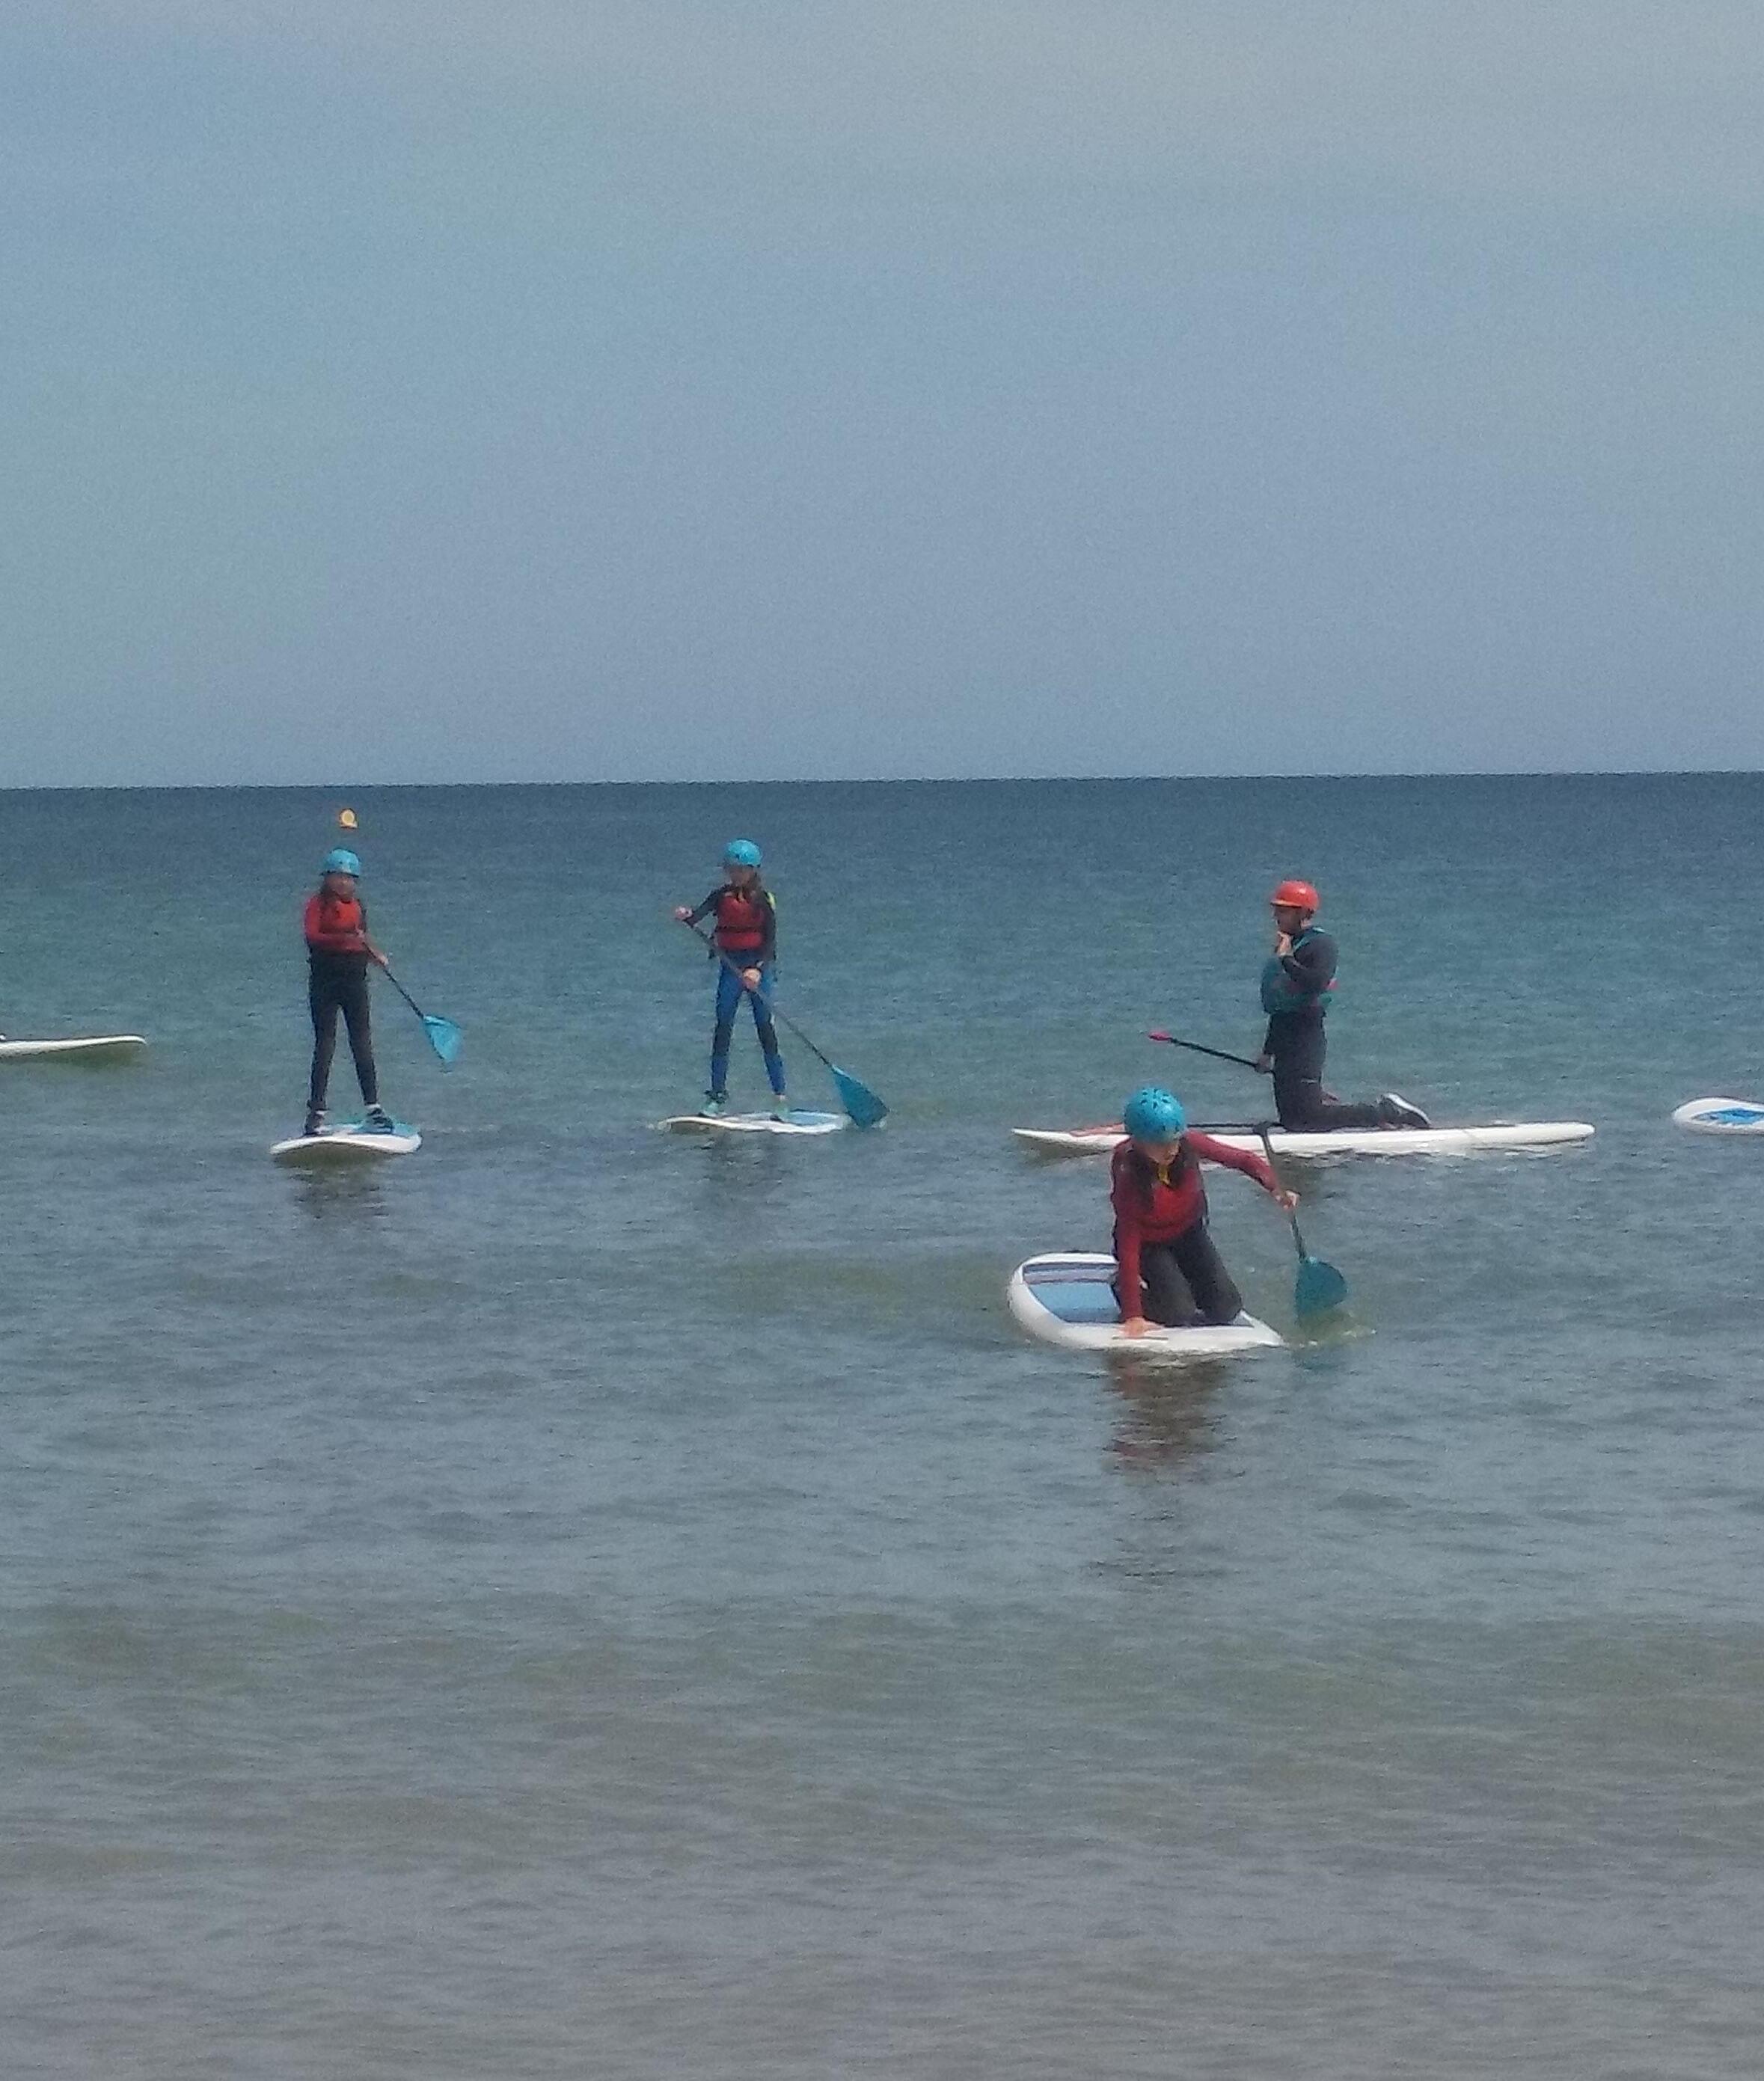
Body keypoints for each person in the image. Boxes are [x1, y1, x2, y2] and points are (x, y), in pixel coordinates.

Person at [1112, 1086, 1296, 1334]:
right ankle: (1120, 1286)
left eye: (1174, 1140)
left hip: (1188, 1233)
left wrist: (1276, 1188)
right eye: (1160, 1144)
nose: (1170, 1150)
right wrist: (1133, 1315)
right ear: (1139, 1142)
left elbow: (1243, 1159)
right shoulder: (1129, 1174)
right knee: (1178, 1314)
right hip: (1149, 1244)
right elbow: (1128, 1242)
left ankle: (1184, 1287)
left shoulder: (1189, 1143)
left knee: (1226, 1308)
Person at [1253, 879, 1430, 1133]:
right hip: (1284, 1040)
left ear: (1303, 913)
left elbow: (1316, 982)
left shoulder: (1320, 945)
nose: (1276, 916)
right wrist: (1267, 1051)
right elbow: (1281, 1008)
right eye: (1276, 910)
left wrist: (1286, 958)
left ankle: (1386, 1112)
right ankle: (1340, 1111)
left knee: (1308, 1118)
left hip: (1305, 1039)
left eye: (1283, 910)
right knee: (1294, 1120)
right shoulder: (1291, 947)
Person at [673, 839, 788, 1118]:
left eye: (741, 870)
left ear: (753, 870)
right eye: (731, 869)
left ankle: (781, 1098)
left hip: (757, 967)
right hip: (730, 965)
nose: (736, 875)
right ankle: (717, 1095)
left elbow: (770, 941)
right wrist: (687, 916)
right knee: (723, 1027)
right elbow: (698, 916)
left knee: (765, 1028)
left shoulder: (763, 900)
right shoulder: (720, 896)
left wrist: (757, 969)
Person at [303, 847, 393, 1137]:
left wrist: (375, 955)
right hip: (325, 982)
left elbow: (362, 938)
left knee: (362, 1043)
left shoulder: (358, 906)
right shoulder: (317, 905)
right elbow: (313, 937)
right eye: (338, 877)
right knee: (325, 1045)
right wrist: (347, 939)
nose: (344, 882)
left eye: (349, 878)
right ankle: (316, 1114)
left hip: (355, 981)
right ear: (327, 879)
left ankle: (374, 1108)